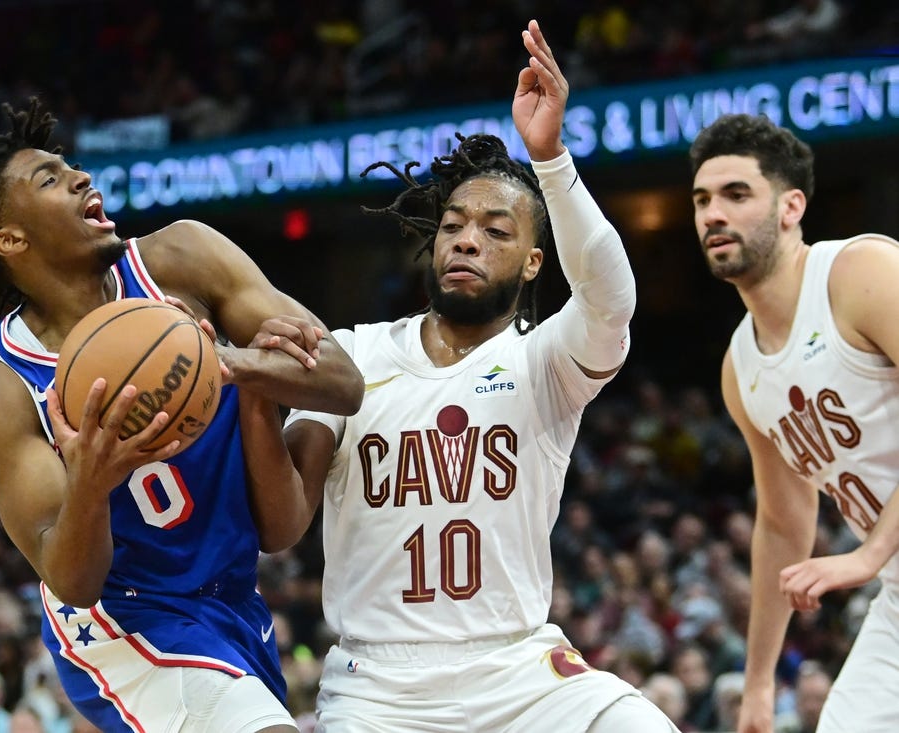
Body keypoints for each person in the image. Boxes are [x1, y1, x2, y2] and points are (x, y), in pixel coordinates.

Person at [0, 95, 363, 732]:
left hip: (232, 598)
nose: (79, 175)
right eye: (48, 178)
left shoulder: (181, 260)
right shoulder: (0, 388)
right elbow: (72, 578)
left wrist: (230, 363)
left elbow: (344, 383)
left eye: (71, 165)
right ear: (9, 238)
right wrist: (91, 484)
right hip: (119, 623)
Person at [282, 19, 679, 732]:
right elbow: (280, 517)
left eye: (497, 230)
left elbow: (612, 298)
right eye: (455, 224)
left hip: (518, 669)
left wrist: (551, 158)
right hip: (379, 682)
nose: (468, 237)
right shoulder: (352, 353)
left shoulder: (545, 360)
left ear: (533, 263)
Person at [689, 112, 899, 733]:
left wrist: (867, 556)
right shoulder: (741, 367)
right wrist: (758, 683)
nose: (712, 214)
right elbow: (783, 524)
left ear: (791, 207)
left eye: (736, 194)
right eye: (701, 200)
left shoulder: (858, 274)